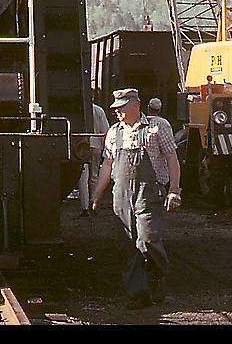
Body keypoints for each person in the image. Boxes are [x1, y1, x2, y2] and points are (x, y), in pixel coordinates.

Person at [91, 88, 181, 310]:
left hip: (148, 191)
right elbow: (107, 164)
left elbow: (172, 158)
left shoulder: (157, 127)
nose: (117, 112)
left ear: (135, 105)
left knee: (148, 238)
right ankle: (138, 295)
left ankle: (157, 276)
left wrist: (174, 190)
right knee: (126, 245)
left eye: (121, 108)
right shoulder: (114, 132)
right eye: (115, 109)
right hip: (121, 194)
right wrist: (97, 193)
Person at [79, 99, 110, 216]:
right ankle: (94, 204)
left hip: (81, 146)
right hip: (96, 145)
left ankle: (85, 206)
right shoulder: (98, 110)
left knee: (82, 175)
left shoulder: (79, 110)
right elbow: (105, 130)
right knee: (94, 175)